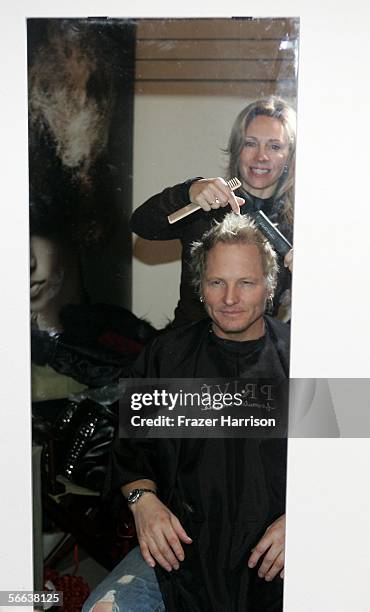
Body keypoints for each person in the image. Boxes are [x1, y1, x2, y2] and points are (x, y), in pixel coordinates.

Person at [83, 213, 289, 612]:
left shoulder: (301, 359)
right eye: (217, 282)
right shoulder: (168, 357)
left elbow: (349, 465)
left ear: (269, 287)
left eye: (245, 282)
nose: (230, 298)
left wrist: (307, 517)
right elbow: (131, 451)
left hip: (276, 555)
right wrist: (143, 501)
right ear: (201, 287)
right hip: (184, 552)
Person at [131, 96, 296, 326]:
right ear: (236, 149)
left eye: (275, 146)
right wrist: (187, 192)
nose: (261, 156)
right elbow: (141, 225)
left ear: (290, 156)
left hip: (255, 355)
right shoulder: (207, 206)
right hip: (189, 352)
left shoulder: (299, 226)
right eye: (250, 143)